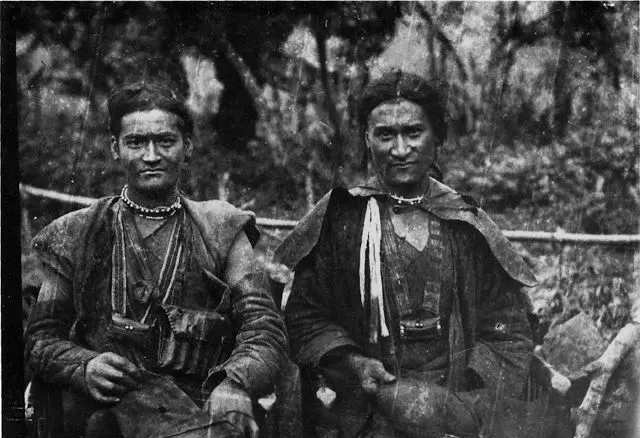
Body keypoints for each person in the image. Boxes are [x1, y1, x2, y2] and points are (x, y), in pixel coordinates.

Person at [276, 70, 566, 438]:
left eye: (413, 133)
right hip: (368, 411)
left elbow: (508, 327)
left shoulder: (466, 224)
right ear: (367, 138)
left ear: (436, 136)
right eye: (385, 135)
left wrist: (460, 402)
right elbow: (305, 318)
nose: (400, 150)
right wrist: (354, 364)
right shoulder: (343, 220)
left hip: (458, 409)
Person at [25, 80, 287, 438]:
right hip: (106, 408)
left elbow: (264, 327)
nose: (151, 156)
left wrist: (235, 383)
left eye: (165, 141)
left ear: (187, 146)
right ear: (115, 147)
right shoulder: (76, 232)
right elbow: (40, 337)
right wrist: (83, 365)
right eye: (136, 142)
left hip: (199, 406)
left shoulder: (221, 228)